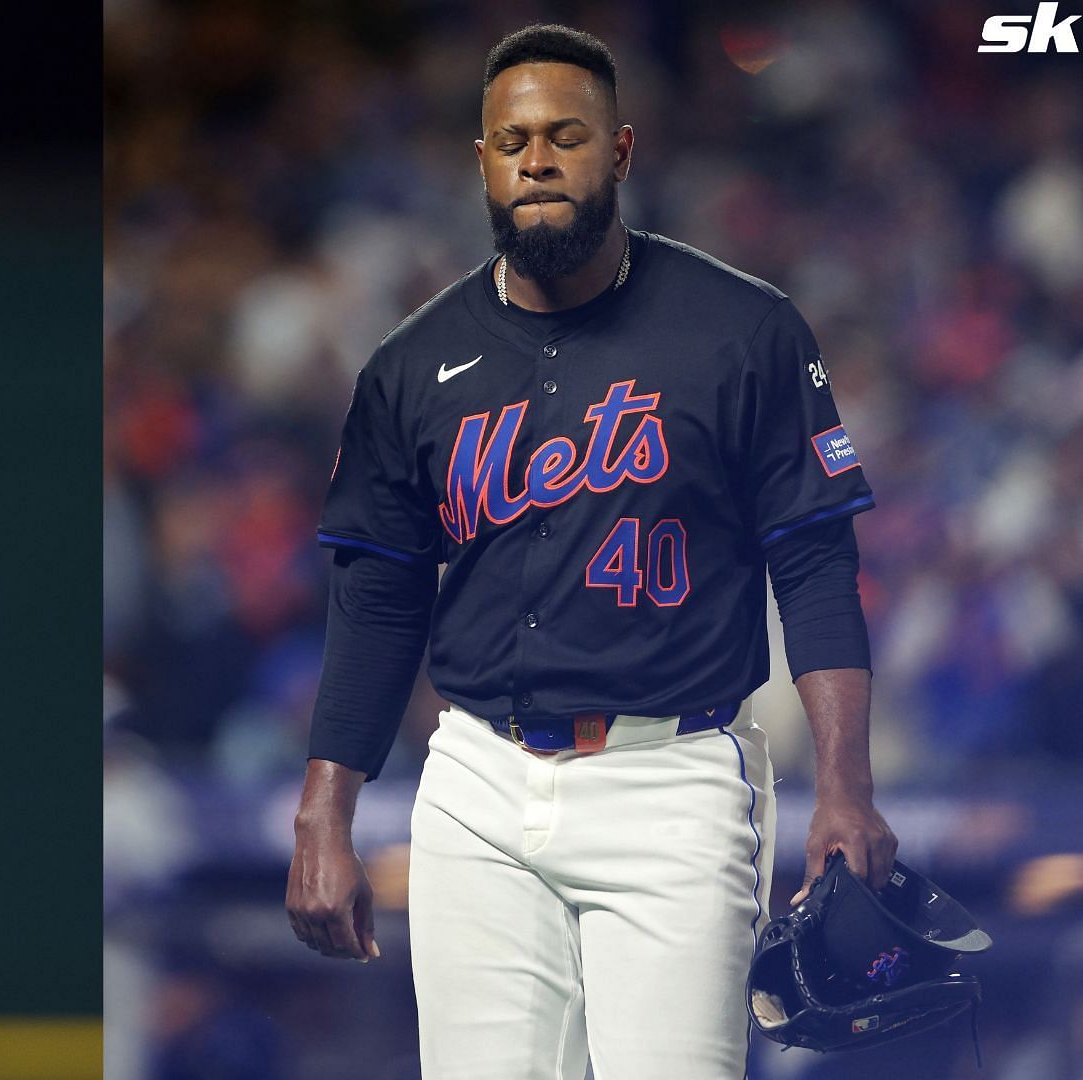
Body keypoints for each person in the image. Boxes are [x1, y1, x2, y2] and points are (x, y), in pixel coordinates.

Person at [283, 24, 897, 1079]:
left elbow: (814, 563)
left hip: (673, 772)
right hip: (476, 775)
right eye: (511, 139)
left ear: (619, 151)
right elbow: (378, 599)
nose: (536, 158)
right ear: (480, 160)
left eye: (565, 134)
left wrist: (845, 786)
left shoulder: (743, 329)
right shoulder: (411, 362)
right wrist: (324, 808)